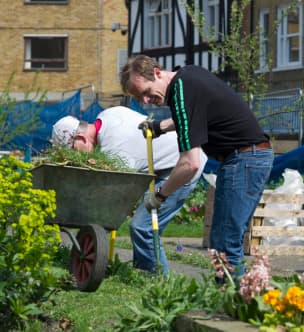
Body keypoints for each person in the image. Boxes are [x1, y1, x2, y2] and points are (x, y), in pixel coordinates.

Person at [119, 55, 274, 278]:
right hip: (247, 157)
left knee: (226, 246)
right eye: (139, 97)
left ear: (156, 72)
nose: (145, 101)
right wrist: (161, 126)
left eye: (145, 91)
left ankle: (237, 302)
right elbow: (197, 116)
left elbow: (190, 164)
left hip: (245, 159)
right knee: (221, 243)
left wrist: (160, 196)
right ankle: (230, 300)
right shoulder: (188, 77)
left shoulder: (180, 91)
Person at [51, 106, 208, 273]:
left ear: (81, 138)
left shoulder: (115, 147)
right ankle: (142, 273)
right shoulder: (107, 115)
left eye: (74, 151)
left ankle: (158, 281)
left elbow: (119, 189)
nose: (78, 158)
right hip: (164, 164)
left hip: (182, 166)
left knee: (142, 227)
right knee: (144, 228)